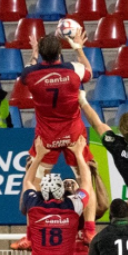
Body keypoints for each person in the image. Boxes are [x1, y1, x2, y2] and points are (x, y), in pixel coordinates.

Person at [20, 31, 93, 174]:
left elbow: (29, 67)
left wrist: (34, 53)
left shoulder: (30, 75)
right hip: (73, 133)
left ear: (41, 53)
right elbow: (89, 73)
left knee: (35, 182)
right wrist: (78, 49)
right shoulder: (74, 69)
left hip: (47, 135)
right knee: (84, 180)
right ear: (60, 52)